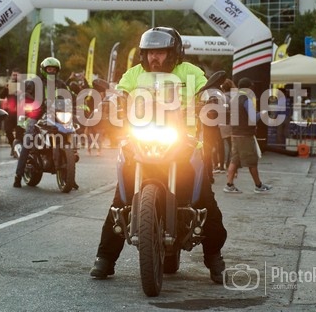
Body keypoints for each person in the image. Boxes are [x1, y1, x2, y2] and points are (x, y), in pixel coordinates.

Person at [89, 27, 228, 284]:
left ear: (174, 53)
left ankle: (214, 258)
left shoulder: (190, 72)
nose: (155, 57)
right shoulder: (134, 74)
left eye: (161, 52)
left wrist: (211, 98)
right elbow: (120, 92)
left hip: (183, 145)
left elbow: (206, 90)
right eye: (150, 52)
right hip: (140, 141)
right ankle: (105, 258)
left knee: (205, 203)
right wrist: (112, 100)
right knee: (120, 200)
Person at [13, 57, 71, 188]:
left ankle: (69, 176)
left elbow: (71, 94)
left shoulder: (61, 84)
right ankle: (18, 175)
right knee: (28, 140)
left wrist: (79, 104)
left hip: (56, 115)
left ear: (57, 70)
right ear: (44, 70)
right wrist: (34, 101)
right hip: (37, 115)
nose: (51, 71)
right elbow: (23, 94)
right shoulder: (34, 82)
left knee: (69, 129)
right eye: (49, 69)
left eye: (54, 69)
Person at [223, 77, 272, 194]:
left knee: (234, 160)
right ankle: (258, 185)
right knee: (252, 161)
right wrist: (262, 113)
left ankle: (229, 185)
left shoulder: (233, 99)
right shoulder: (246, 100)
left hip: (235, 133)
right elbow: (253, 118)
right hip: (245, 135)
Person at [0, 68, 21, 156]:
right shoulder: (9, 85)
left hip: (21, 112)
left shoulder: (24, 85)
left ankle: (17, 149)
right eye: (13, 75)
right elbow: (1, 96)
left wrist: (21, 93)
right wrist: (6, 88)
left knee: (19, 132)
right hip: (10, 112)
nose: (14, 77)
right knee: (8, 130)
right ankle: (13, 146)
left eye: (16, 75)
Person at [218, 78, 236, 171]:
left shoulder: (223, 97)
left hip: (224, 123)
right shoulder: (235, 96)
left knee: (225, 144)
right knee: (231, 144)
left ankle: (225, 163)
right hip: (233, 122)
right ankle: (231, 163)